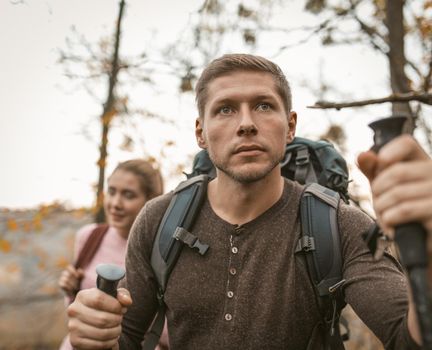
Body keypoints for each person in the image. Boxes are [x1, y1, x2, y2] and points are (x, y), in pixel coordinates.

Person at [66, 54, 432, 349]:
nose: (246, 124)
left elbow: (409, 339)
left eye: (263, 106)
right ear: (201, 132)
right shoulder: (160, 219)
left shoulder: (341, 225)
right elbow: (127, 339)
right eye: (225, 109)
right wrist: (94, 336)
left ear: (290, 126)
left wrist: (428, 253)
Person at [58, 159, 165, 350]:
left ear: (152, 202)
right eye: (112, 191)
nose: (115, 203)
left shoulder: (163, 251)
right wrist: (71, 291)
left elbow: (172, 328)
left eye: (128, 195)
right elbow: (76, 315)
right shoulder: (89, 237)